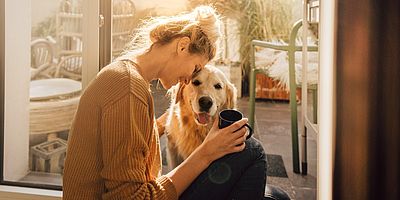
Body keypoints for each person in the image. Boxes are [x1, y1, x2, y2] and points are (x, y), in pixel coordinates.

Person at [63, 5, 267, 200]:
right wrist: (206, 152)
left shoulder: (126, 74)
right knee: (253, 150)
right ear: (182, 46)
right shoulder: (127, 88)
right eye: (195, 67)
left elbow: (131, 137)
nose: (188, 79)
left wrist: (165, 123)